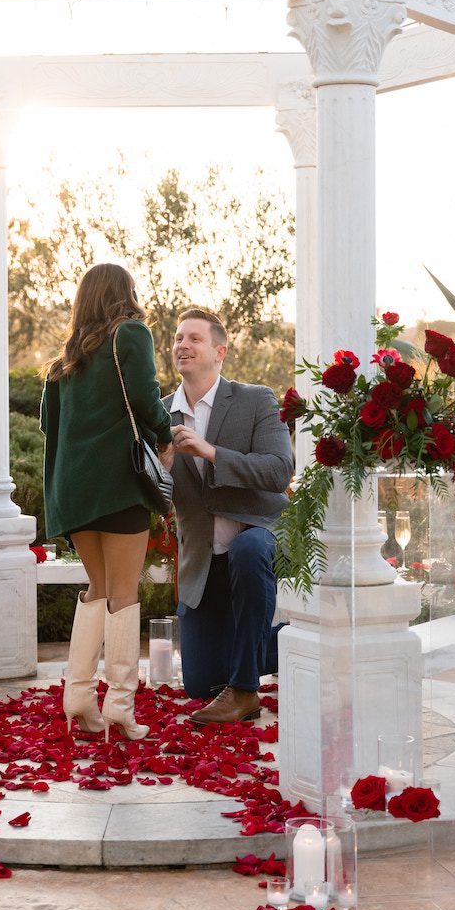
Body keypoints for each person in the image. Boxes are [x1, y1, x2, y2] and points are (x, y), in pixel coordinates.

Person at [41, 263, 173, 741]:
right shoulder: (130, 334)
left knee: (97, 590)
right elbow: (145, 398)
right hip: (117, 484)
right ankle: (119, 706)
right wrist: (166, 432)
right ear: (123, 294)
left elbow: (49, 429)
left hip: (73, 492)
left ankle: (77, 696)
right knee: (124, 594)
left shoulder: (63, 363)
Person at [161, 308, 293, 724]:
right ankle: (310, 642)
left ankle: (245, 691)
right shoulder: (160, 414)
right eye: (179, 338)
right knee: (200, 683)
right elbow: (152, 499)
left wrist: (211, 452)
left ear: (220, 351)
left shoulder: (256, 399)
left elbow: (278, 471)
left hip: (260, 536)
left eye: (194, 338)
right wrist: (160, 469)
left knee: (248, 547)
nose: (183, 344)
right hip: (204, 562)